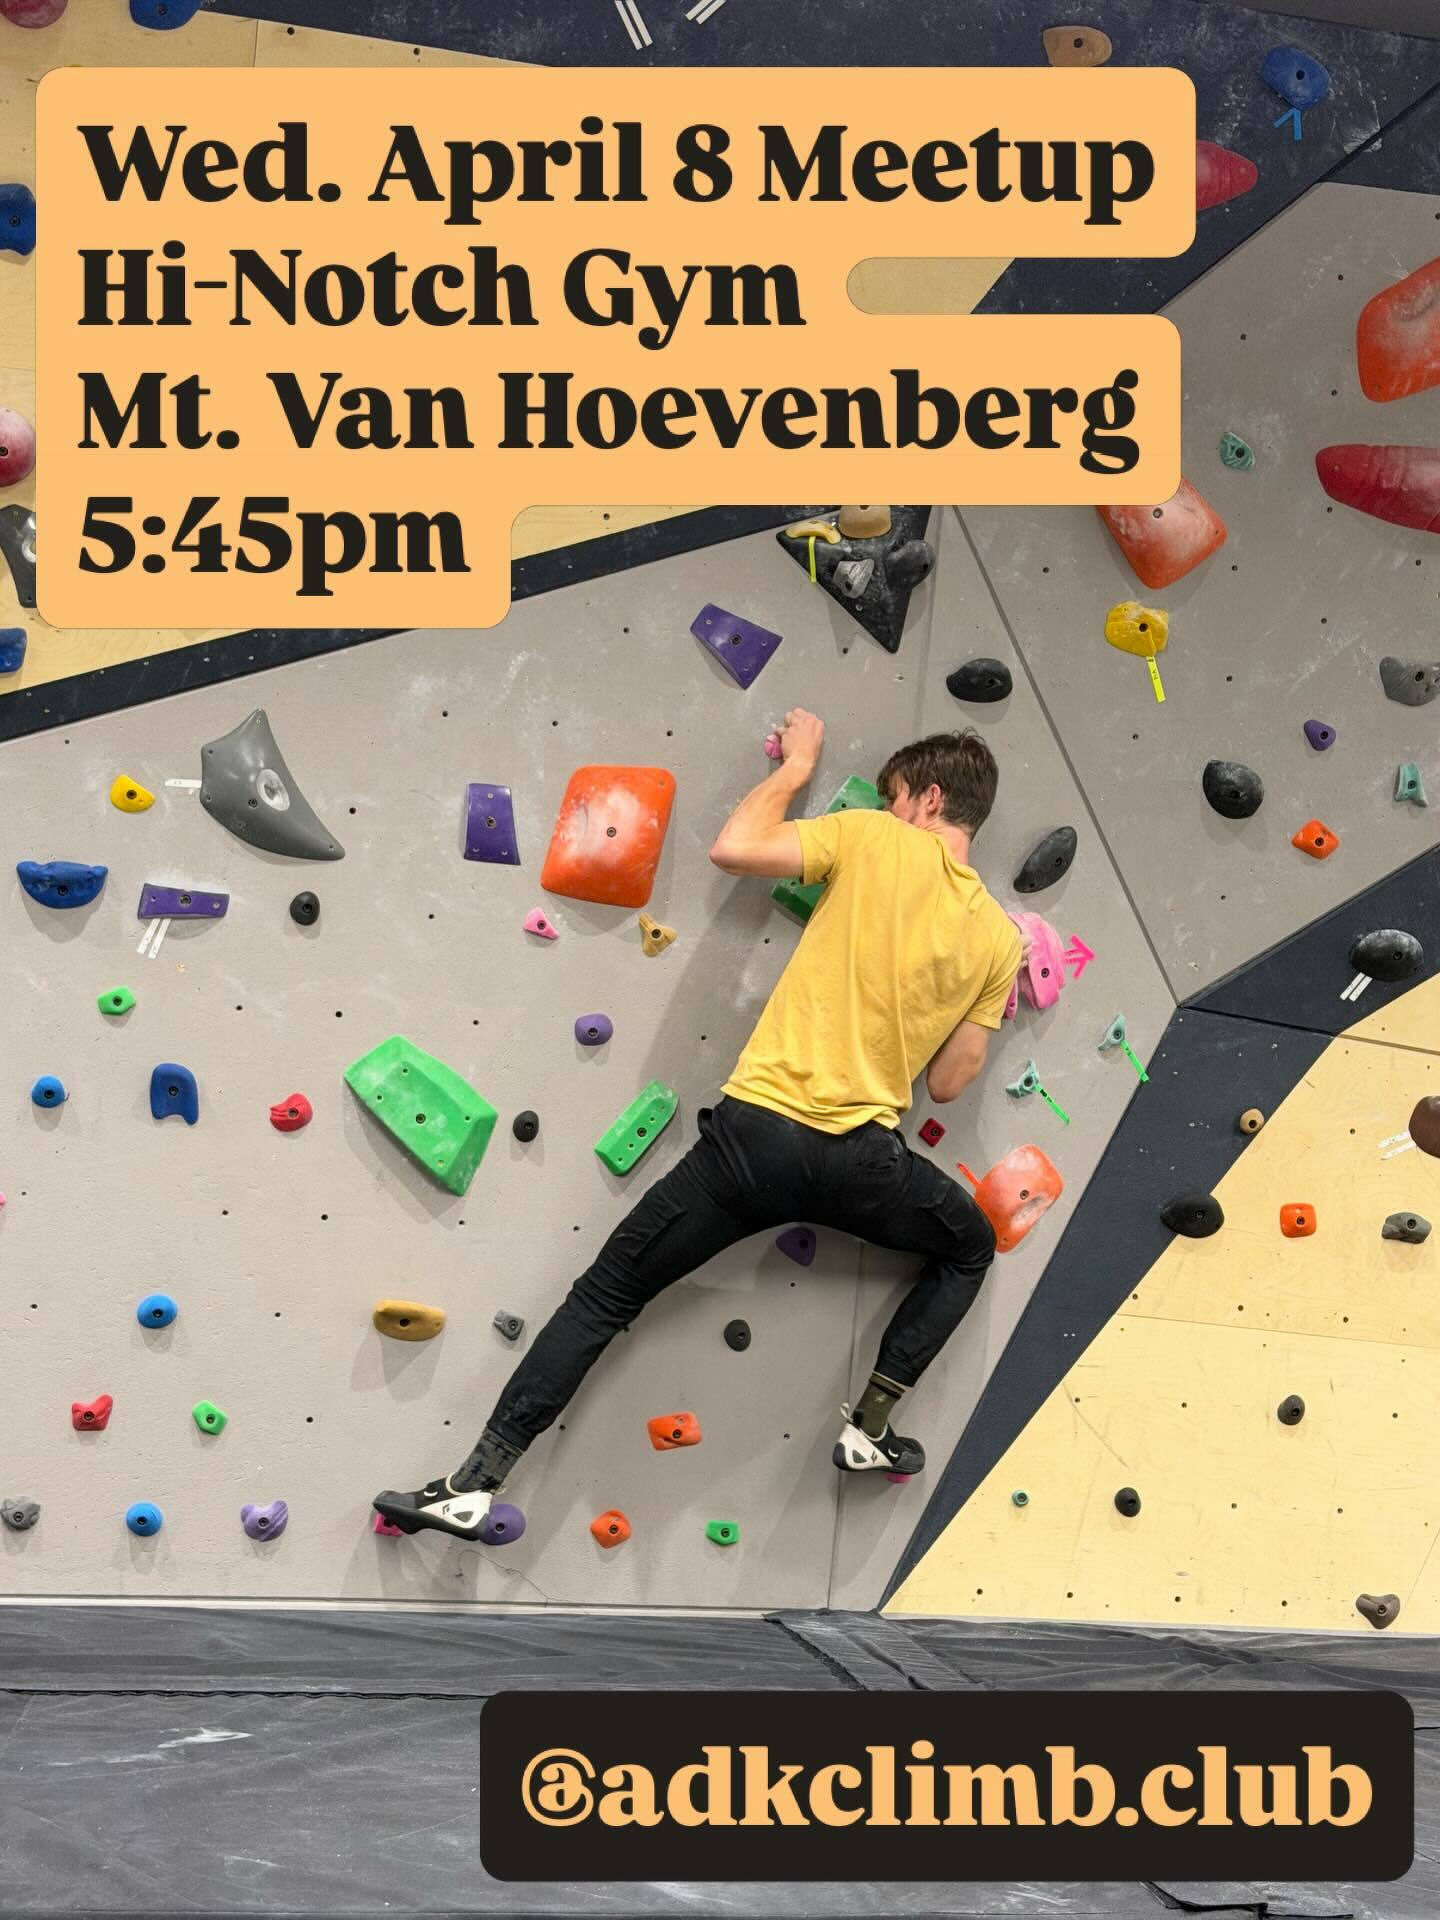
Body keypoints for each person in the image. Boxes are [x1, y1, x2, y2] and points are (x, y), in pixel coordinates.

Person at [373, 713, 1023, 1539]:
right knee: (968, 1247)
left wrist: (797, 767)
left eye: (894, 797)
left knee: (605, 1296)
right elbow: (949, 1083)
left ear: (926, 799)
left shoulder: (874, 838)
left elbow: (736, 847)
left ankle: (472, 1485)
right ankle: (869, 1427)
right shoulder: (998, 938)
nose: (889, 809)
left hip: (756, 1142)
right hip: (864, 1163)